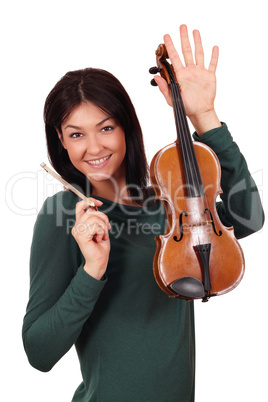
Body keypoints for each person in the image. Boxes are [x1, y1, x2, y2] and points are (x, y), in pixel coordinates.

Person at [22, 25, 264, 401]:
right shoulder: (66, 215)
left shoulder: (168, 204)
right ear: (60, 140)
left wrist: (205, 118)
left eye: (106, 128)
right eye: (76, 134)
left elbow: (248, 218)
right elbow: (38, 352)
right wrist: (91, 271)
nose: (94, 147)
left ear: (126, 128)